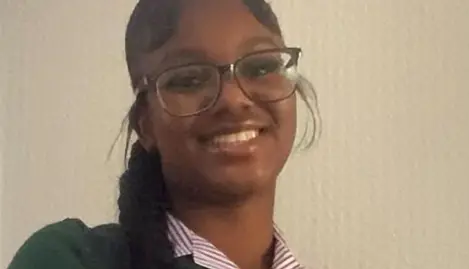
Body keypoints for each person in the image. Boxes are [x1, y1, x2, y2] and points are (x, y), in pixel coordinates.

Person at [7, 0, 319, 268]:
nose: (234, 99)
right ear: (145, 123)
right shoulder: (72, 259)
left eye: (261, 67)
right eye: (188, 79)